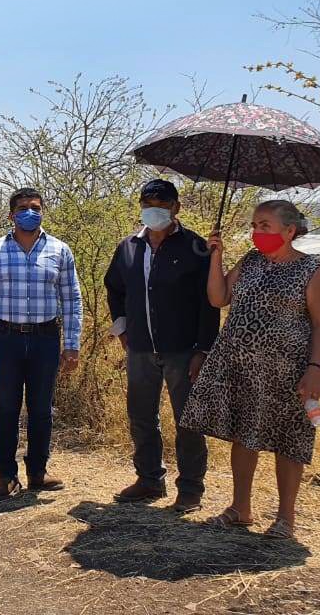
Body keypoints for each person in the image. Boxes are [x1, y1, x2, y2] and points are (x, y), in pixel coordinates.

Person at [181, 200, 320, 540]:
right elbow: (218, 297)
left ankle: (285, 519)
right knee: (243, 435)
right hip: (239, 366)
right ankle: (240, 508)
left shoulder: (311, 269)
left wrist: (316, 367)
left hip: (289, 371)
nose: (258, 232)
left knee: (289, 441)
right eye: (255, 225)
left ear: (289, 231)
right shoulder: (250, 261)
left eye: (266, 226)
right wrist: (216, 256)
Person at [104, 179, 218, 513]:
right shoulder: (128, 247)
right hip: (139, 348)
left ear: (176, 208)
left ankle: (191, 489)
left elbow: (209, 303)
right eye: (147, 202)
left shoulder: (197, 248)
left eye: (162, 203)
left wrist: (203, 349)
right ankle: (149, 479)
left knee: (188, 419)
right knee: (141, 415)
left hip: (183, 350)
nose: (154, 209)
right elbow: (115, 288)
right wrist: (123, 327)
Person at [0, 187, 82, 500]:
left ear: (43, 211)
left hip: (46, 338)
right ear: (11, 214)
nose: (29, 212)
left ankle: (37, 472)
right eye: (22, 207)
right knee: (7, 408)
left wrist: (71, 344)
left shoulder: (60, 250)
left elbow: (71, 298)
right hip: (5, 338)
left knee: (41, 409)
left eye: (35, 207)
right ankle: (6, 476)